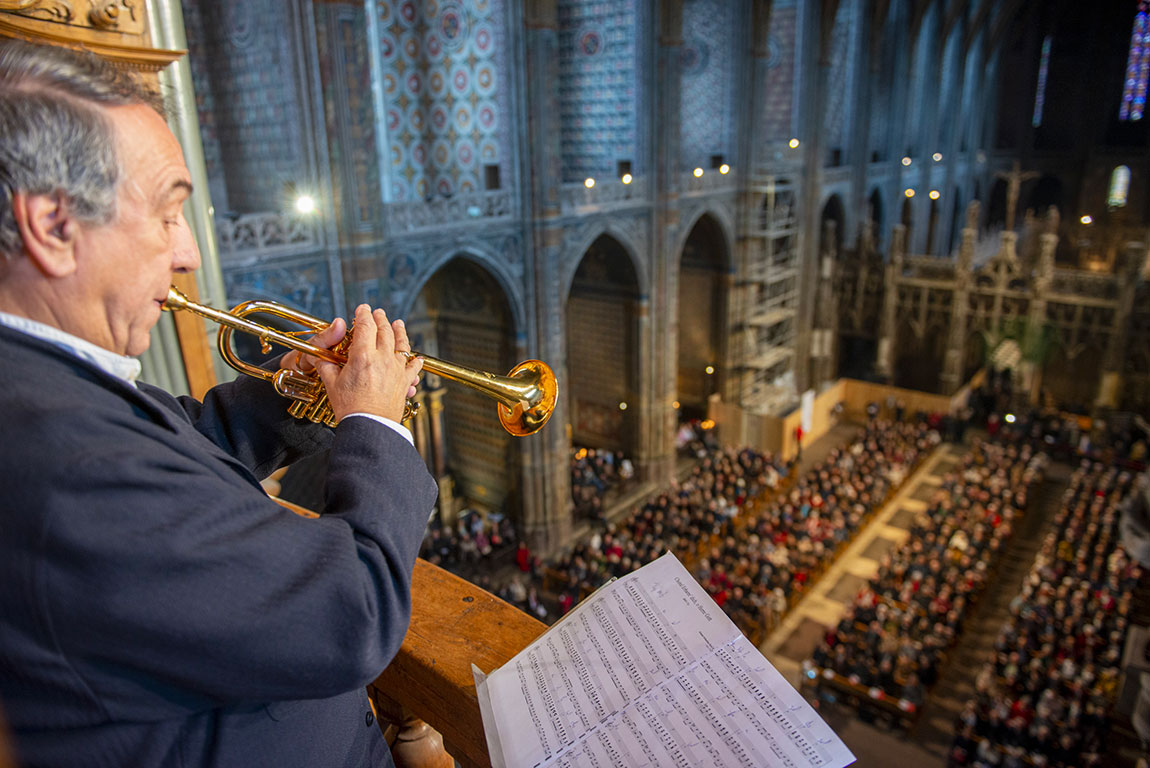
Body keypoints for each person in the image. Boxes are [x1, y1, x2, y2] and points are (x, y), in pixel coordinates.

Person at [0, 40, 437, 767]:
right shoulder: (67, 461)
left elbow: (179, 442)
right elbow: (354, 613)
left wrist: (295, 397)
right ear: (52, 226)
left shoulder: (40, 380)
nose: (188, 256)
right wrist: (376, 425)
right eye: (169, 213)